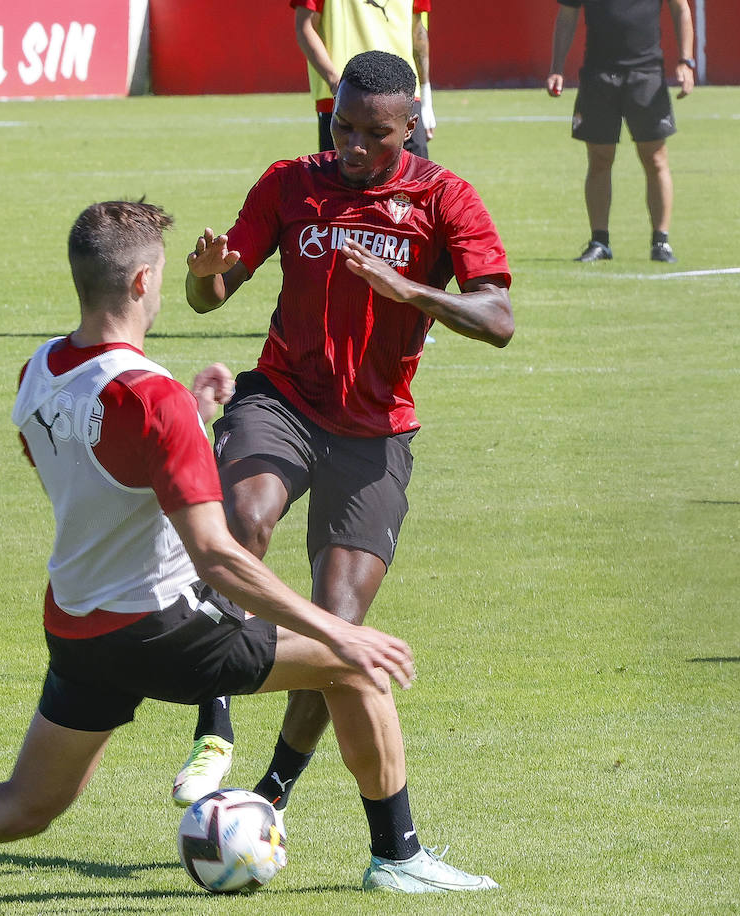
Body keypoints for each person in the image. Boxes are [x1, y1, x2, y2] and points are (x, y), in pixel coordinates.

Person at [0, 200, 499, 906]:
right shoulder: (152, 399)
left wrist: (193, 408)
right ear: (146, 285)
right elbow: (218, 560)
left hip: (77, 627)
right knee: (353, 667)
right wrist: (339, 632)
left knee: (25, 805)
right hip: (162, 629)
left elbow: (95, 457)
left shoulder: (39, 371)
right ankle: (399, 857)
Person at [174, 51, 513, 833]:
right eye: (343, 125)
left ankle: (270, 794)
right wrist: (204, 276)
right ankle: (213, 728)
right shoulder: (290, 182)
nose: (353, 146)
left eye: (376, 134)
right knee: (244, 517)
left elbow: (498, 320)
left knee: (337, 628)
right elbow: (210, 295)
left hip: (375, 433)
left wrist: (411, 290)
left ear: (412, 128)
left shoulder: (444, 199)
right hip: (282, 400)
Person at [547, 0, 696, 263]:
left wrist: (686, 61)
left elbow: (681, 8)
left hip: (646, 73)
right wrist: (557, 68)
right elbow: (567, 15)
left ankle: (661, 242)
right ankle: (599, 241)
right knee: (599, 159)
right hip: (598, 74)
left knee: (655, 158)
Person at [292, 0, 436, 158]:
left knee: (415, 178)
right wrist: (336, 83)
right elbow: (305, 26)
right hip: (345, 98)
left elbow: (418, 32)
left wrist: (426, 97)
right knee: (346, 178)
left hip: (403, 95)